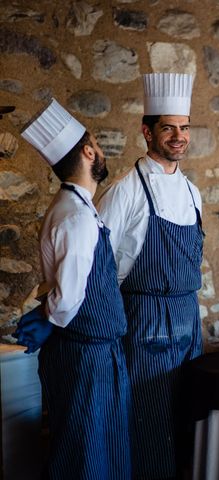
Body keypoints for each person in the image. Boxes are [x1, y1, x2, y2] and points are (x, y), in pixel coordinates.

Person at [14, 98, 131, 479]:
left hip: (92, 355)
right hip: (84, 358)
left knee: (95, 452)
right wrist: (47, 318)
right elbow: (66, 300)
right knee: (84, 458)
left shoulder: (75, 206)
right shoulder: (76, 217)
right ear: (88, 151)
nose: (98, 150)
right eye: (95, 142)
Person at [97, 72, 204, 479]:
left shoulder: (193, 193)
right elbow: (97, 265)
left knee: (187, 419)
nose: (178, 136)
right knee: (148, 423)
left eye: (184, 128)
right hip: (143, 323)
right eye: (168, 128)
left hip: (188, 322)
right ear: (147, 131)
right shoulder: (126, 191)